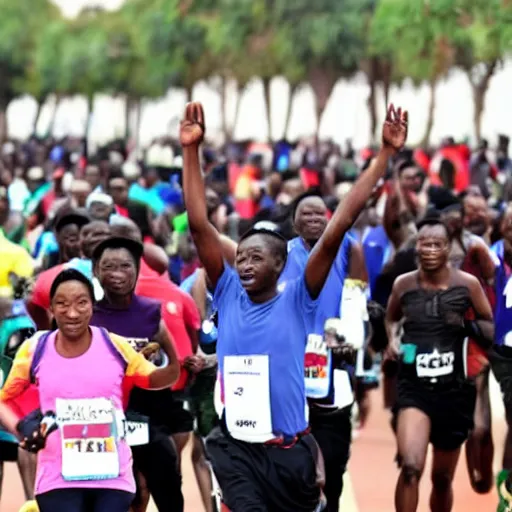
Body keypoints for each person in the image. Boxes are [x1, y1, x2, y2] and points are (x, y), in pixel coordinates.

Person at [180, 101, 408, 511]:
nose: (245, 264)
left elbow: (340, 224)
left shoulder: (299, 296)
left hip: (288, 451)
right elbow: (200, 226)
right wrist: (190, 151)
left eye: (256, 258)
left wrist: (385, 157)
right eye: (241, 257)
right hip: (236, 448)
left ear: (281, 264)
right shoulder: (228, 288)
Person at [0, 268, 179, 512]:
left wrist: (169, 350)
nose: (72, 313)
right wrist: (21, 428)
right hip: (57, 478)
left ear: (93, 306)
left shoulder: (115, 345)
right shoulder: (35, 349)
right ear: (51, 308)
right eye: (62, 304)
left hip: (113, 477)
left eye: (81, 303)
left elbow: (156, 379)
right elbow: (3, 401)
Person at [384, 218, 494, 512]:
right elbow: (391, 318)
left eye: (437, 244)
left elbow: (489, 326)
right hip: (413, 389)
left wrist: (465, 325)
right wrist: (393, 340)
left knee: (442, 478)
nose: (430, 249)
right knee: (410, 467)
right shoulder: (403, 284)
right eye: (425, 243)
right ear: (416, 246)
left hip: (453, 391)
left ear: (448, 249)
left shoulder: (467, 285)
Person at [278, 190, 369, 511]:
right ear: (294, 221)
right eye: (307, 214)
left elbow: (356, 306)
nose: (315, 219)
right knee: (291, 463)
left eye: (320, 214)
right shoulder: (280, 255)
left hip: (333, 368)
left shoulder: (349, 249)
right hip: (288, 370)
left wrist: (350, 341)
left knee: (332, 465)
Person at [91, 236, 184, 512]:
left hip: (149, 415)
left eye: (125, 266)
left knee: (167, 485)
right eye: (108, 267)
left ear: (137, 270)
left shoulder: (150, 312)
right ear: (96, 271)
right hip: (103, 419)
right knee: (123, 495)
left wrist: (154, 366)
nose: (117, 274)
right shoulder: (90, 316)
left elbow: (172, 364)